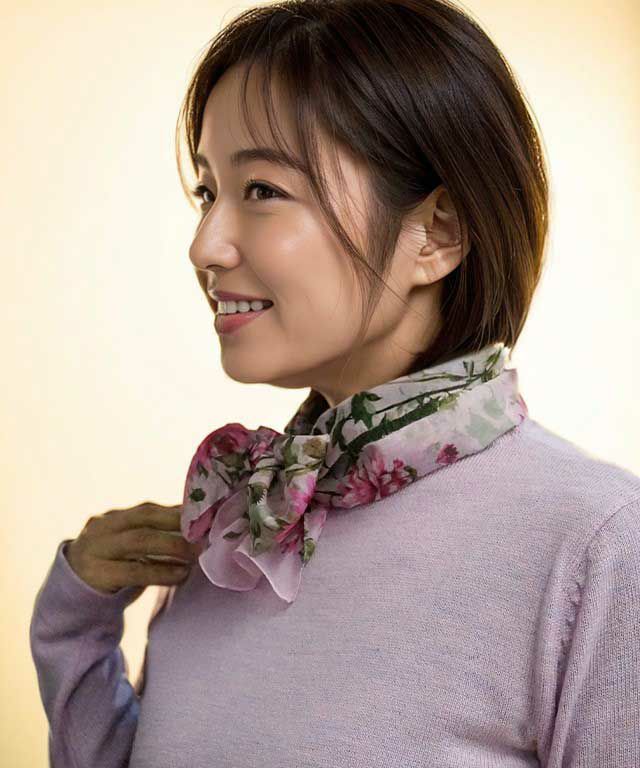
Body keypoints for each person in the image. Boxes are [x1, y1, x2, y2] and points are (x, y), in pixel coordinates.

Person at [30, 1, 640, 766]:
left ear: (437, 233)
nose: (205, 245)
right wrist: (73, 627)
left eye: (263, 190)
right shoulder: (243, 525)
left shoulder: (597, 544)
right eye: (208, 192)